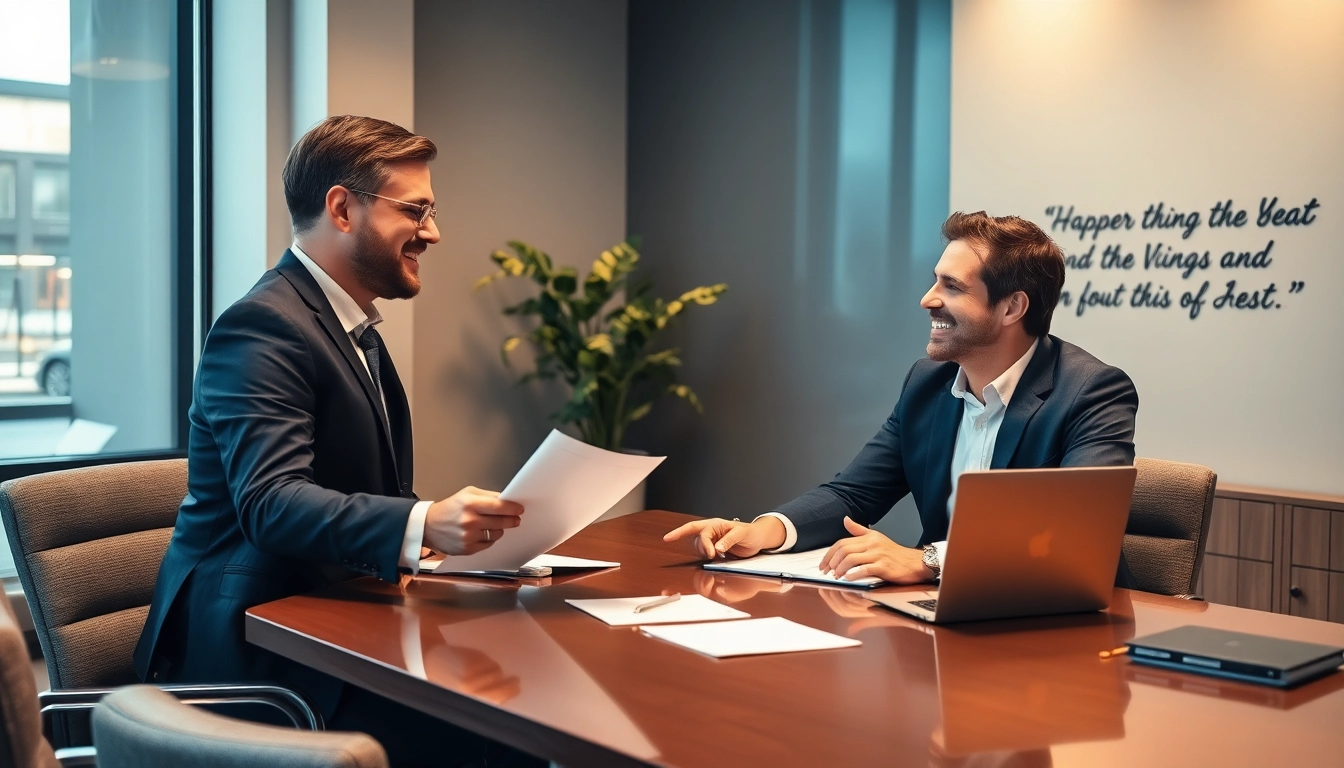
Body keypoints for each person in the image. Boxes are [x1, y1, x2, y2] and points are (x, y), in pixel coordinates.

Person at [133, 115, 540, 767]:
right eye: (416, 210)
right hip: (257, 653)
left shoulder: (355, 332)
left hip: (334, 617)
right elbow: (271, 503)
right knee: (504, 730)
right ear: (343, 209)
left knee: (513, 698)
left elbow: (360, 494)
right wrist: (425, 523)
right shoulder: (263, 326)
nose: (433, 232)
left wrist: (448, 543)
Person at [665, 211, 1139, 587]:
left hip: (1059, 632)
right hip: (942, 618)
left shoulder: (1092, 392)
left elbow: (1078, 538)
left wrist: (931, 559)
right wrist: (761, 532)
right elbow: (853, 493)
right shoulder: (927, 383)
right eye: (936, 280)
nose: (927, 299)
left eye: (951, 287)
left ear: (1012, 307)